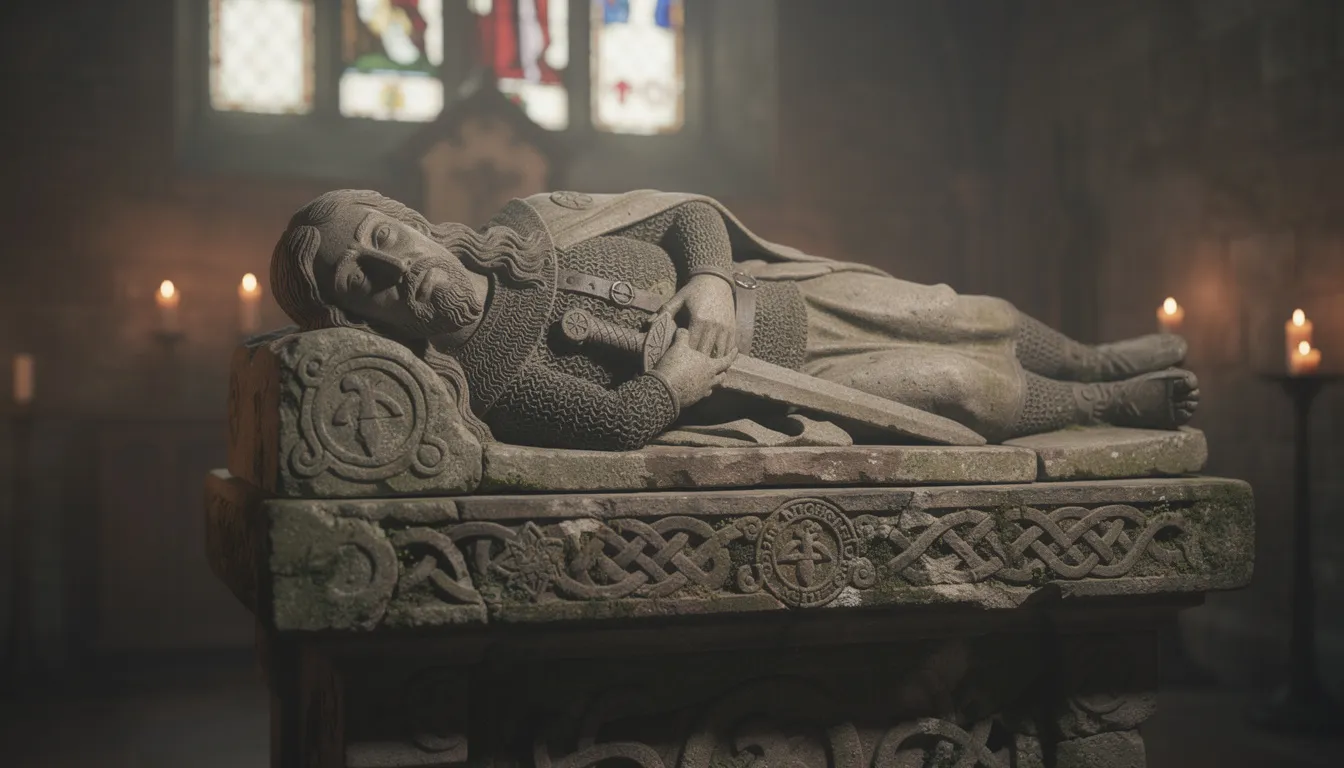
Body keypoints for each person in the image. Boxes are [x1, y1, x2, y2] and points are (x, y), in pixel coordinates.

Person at [269, 188, 1198, 451]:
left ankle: (1094, 360)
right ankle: (1105, 409)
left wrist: (711, 282)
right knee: (965, 388)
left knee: (962, 313)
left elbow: (685, 215)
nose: (397, 267)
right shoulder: (493, 383)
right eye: (364, 279)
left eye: (385, 237)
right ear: (363, 321)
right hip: (783, 384)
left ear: (413, 221)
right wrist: (675, 383)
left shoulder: (533, 228)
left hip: (781, 300)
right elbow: (615, 425)